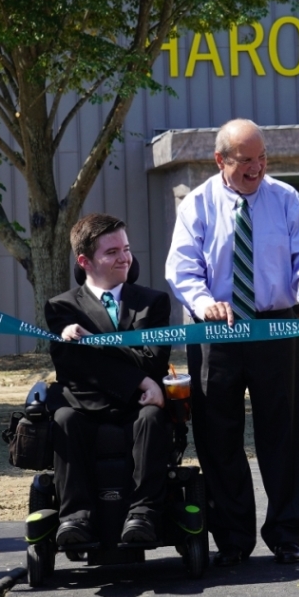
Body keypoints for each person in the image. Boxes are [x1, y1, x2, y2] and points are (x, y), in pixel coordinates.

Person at [166, 119, 299, 566]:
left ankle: (288, 534)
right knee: (218, 436)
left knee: (284, 433)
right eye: (246, 161)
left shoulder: (286, 200)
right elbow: (182, 270)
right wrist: (204, 304)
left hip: (275, 327)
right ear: (221, 160)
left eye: (262, 159)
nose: (256, 169)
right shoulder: (198, 204)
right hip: (215, 328)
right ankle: (233, 540)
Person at [45, 214, 173, 546]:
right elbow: (74, 366)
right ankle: (75, 518)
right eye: (112, 252)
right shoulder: (61, 307)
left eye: (127, 249)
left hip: (138, 406)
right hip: (85, 404)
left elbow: (153, 358)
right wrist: (142, 380)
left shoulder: (152, 302)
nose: (124, 258)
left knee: (153, 417)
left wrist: (95, 343)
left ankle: (142, 515)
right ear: (85, 261)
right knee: (64, 419)